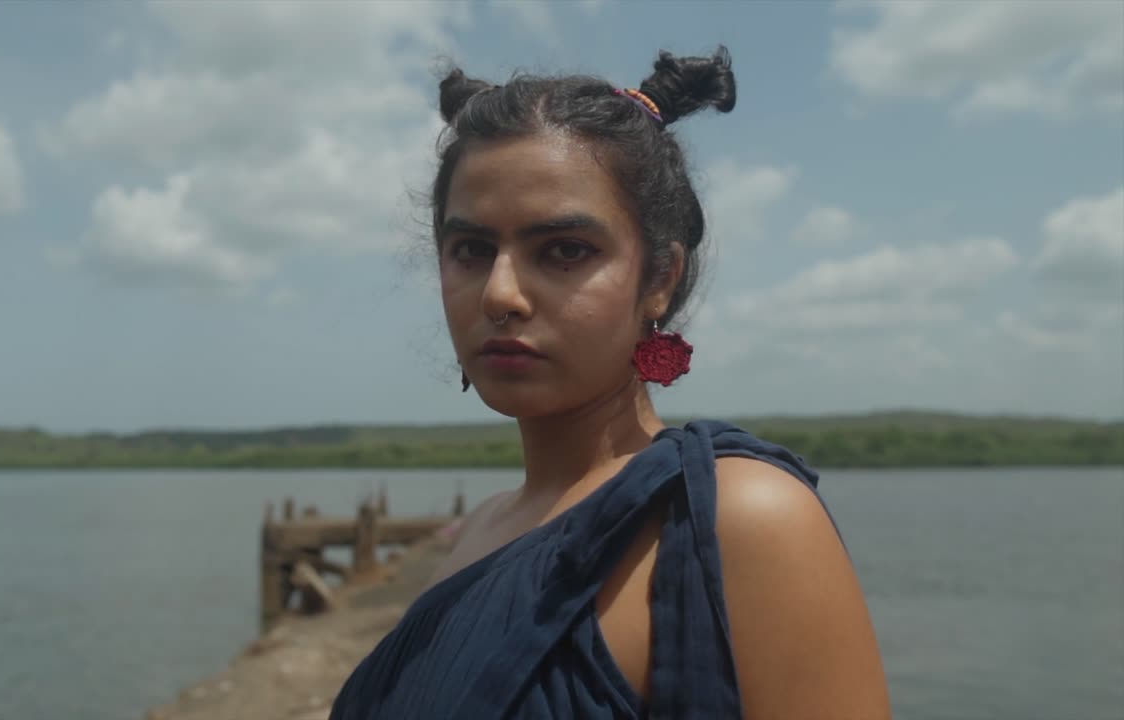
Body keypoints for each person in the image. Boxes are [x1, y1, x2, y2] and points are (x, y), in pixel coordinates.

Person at [330, 49, 891, 719]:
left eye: (565, 250)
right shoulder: (481, 528)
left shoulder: (734, 520)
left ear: (660, 278)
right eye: (471, 250)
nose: (500, 294)